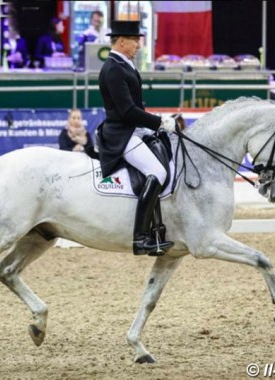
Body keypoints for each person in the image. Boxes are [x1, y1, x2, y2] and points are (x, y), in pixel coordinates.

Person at [97, 20, 177, 256]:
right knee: (158, 172)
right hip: (121, 134)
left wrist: (157, 122)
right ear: (121, 41)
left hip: (134, 129)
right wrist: (158, 122)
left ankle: (158, 228)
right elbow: (127, 111)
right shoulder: (112, 68)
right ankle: (141, 237)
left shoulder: (124, 64)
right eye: (135, 41)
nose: (139, 45)